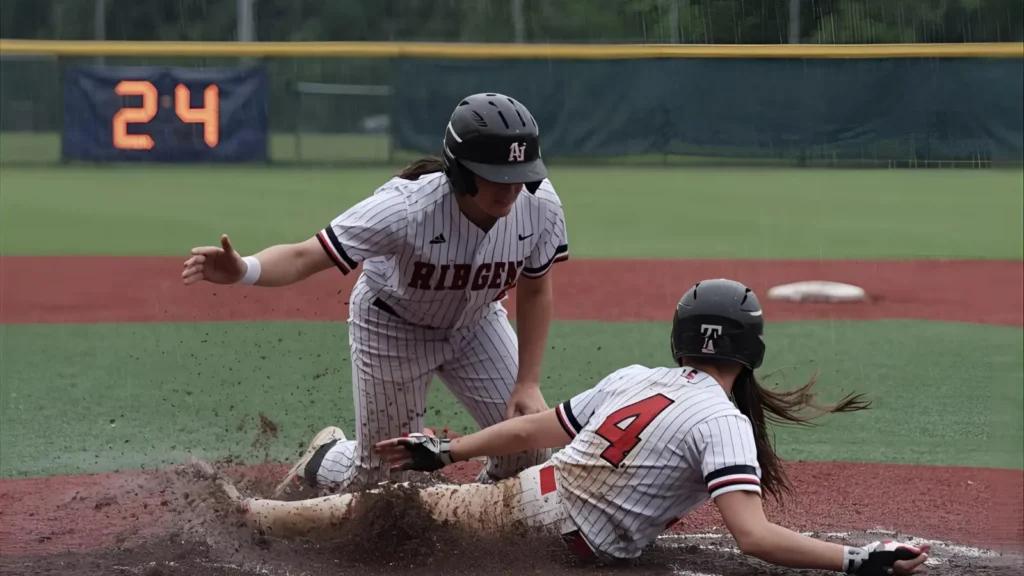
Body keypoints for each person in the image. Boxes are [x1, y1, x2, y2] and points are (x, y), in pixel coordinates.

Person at [362, 278, 931, 573]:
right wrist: (857, 560)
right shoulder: (722, 420)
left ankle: (322, 476)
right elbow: (754, 538)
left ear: (681, 339)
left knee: (393, 519)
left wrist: (448, 450)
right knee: (349, 520)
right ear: (751, 349)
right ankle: (315, 470)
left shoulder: (638, 376)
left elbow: (531, 429)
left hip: (535, 505)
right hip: (542, 522)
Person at [181, 92, 570, 495]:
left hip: (478, 325)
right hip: (393, 328)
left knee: (527, 451)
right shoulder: (405, 209)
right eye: (495, 174)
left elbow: (536, 286)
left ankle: (476, 506)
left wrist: (528, 382)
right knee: (386, 482)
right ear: (461, 170)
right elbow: (304, 255)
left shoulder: (538, 205)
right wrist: (245, 269)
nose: (510, 189)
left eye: (520, 173)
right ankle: (328, 454)